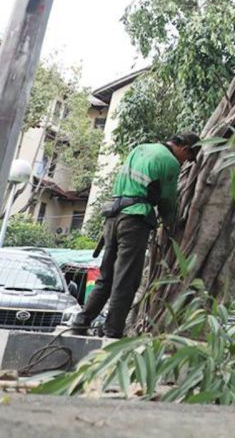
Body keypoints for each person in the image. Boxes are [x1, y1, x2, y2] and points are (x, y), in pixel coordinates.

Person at [71, 132, 199, 338]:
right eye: (188, 158)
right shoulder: (170, 161)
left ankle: (81, 322)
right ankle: (113, 331)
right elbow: (167, 200)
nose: (185, 163)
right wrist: (171, 225)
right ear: (184, 149)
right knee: (127, 278)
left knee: (106, 276)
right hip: (134, 221)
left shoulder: (141, 148)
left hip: (113, 217)